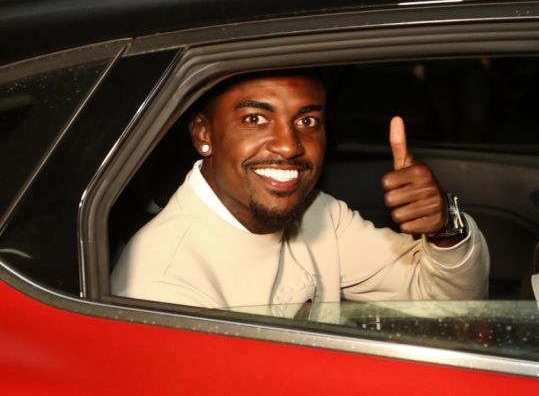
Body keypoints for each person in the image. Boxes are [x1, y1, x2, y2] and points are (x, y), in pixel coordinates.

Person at [111, 70, 489, 316]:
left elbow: (448, 304)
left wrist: (444, 229)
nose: (289, 145)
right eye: (256, 119)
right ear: (203, 135)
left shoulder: (316, 213)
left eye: (307, 121)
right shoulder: (163, 288)